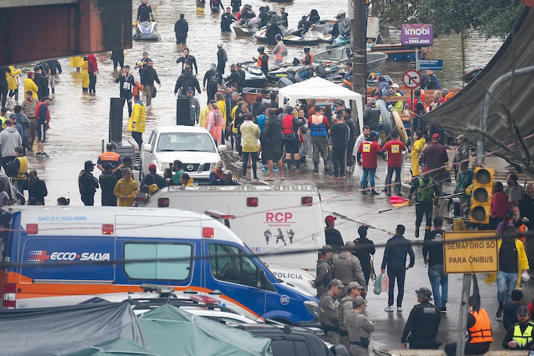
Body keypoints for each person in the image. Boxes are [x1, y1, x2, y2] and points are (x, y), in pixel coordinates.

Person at [496, 225, 529, 318]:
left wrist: (525, 270)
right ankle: (501, 306)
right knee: (501, 290)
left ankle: (506, 311)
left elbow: (523, 258)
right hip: (501, 272)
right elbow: (492, 256)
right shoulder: (499, 242)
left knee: (511, 293)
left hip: (514, 273)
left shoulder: (518, 243)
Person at [381, 224, 415, 312]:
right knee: (401, 286)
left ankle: (390, 305)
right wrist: (410, 265)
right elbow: (412, 255)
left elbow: (386, 255)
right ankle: (399, 305)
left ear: (396, 231)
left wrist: (383, 266)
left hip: (391, 266)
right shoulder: (406, 242)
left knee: (391, 286)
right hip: (401, 267)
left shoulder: (390, 241)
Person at [423, 217, 448, 312]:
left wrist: (425, 258)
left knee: (435, 285)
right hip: (445, 264)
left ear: (434, 224)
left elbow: (425, 247)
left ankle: (438, 305)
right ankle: (444, 301)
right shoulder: (446, 234)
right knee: (445, 283)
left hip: (433, 263)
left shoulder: (429, 234)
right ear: (441, 224)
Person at [410, 174, 438, 238]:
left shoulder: (432, 182)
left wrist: (436, 197)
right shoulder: (417, 181)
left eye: (427, 175)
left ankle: (427, 234)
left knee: (429, 220)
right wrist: (409, 198)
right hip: (419, 204)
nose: (426, 177)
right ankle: (417, 228)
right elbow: (412, 190)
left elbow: (437, 192)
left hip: (429, 204)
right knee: (419, 219)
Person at [338, 281, 364, 350]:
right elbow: (347, 321)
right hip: (347, 336)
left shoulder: (347, 301)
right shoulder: (348, 303)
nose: (360, 291)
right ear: (352, 290)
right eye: (358, 289)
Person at [262, 108, 284, 181]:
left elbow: (265, 132)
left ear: (268, 114)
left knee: (270, 158)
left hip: (270, 141)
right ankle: (281, 175)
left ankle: (271, 175)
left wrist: (264, 140)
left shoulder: (268, 121)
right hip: (278, 140)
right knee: (278, 158)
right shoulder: (279, 120)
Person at [318, 279, 343, 344]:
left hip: (331, 331)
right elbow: (335, 316)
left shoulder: (332, 298)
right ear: (333, 287)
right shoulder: (328, 299)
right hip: (331, 332)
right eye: (339, 288)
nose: (340, 290)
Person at [281, 106, 304, 171]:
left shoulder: (284, 118)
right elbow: (299, 124)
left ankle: (289, 167)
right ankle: (297, 167)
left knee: (288, 151)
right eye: (294, 110)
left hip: (286, 136)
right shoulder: (293, 118)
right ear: (291, 111)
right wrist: (303, 119)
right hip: (294, 136)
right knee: (296, 151)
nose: (295, 111)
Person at [309, 106, 330, 175]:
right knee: (324, 150)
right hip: (322, 135)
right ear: (320, 110)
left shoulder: (311, 118)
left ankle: (315, 167)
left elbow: (309, 125)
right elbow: (327, 125)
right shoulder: (324, 118)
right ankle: (326, 165)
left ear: (315, 111)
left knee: (315, 150)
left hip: (314, 136)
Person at [240, 113, 260, 180]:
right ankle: (255, 175)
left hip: (245, 144)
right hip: (253, 144)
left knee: (245, 161)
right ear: (252, 118)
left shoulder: (242, 125)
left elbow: (241, 133)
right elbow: (258, 134)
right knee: (254, 161)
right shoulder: (255, 126)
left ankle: (244, 174)